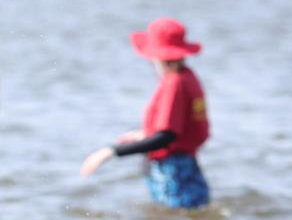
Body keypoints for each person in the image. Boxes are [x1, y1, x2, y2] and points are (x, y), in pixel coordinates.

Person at [81, 18, 211, 209]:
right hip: (188, 165)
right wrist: (145, 133)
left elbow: (166, 137)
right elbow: (182, 127)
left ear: (156, 57)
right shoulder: (188, 77)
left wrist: (109, 152)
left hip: (173, 170)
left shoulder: (174, 83)